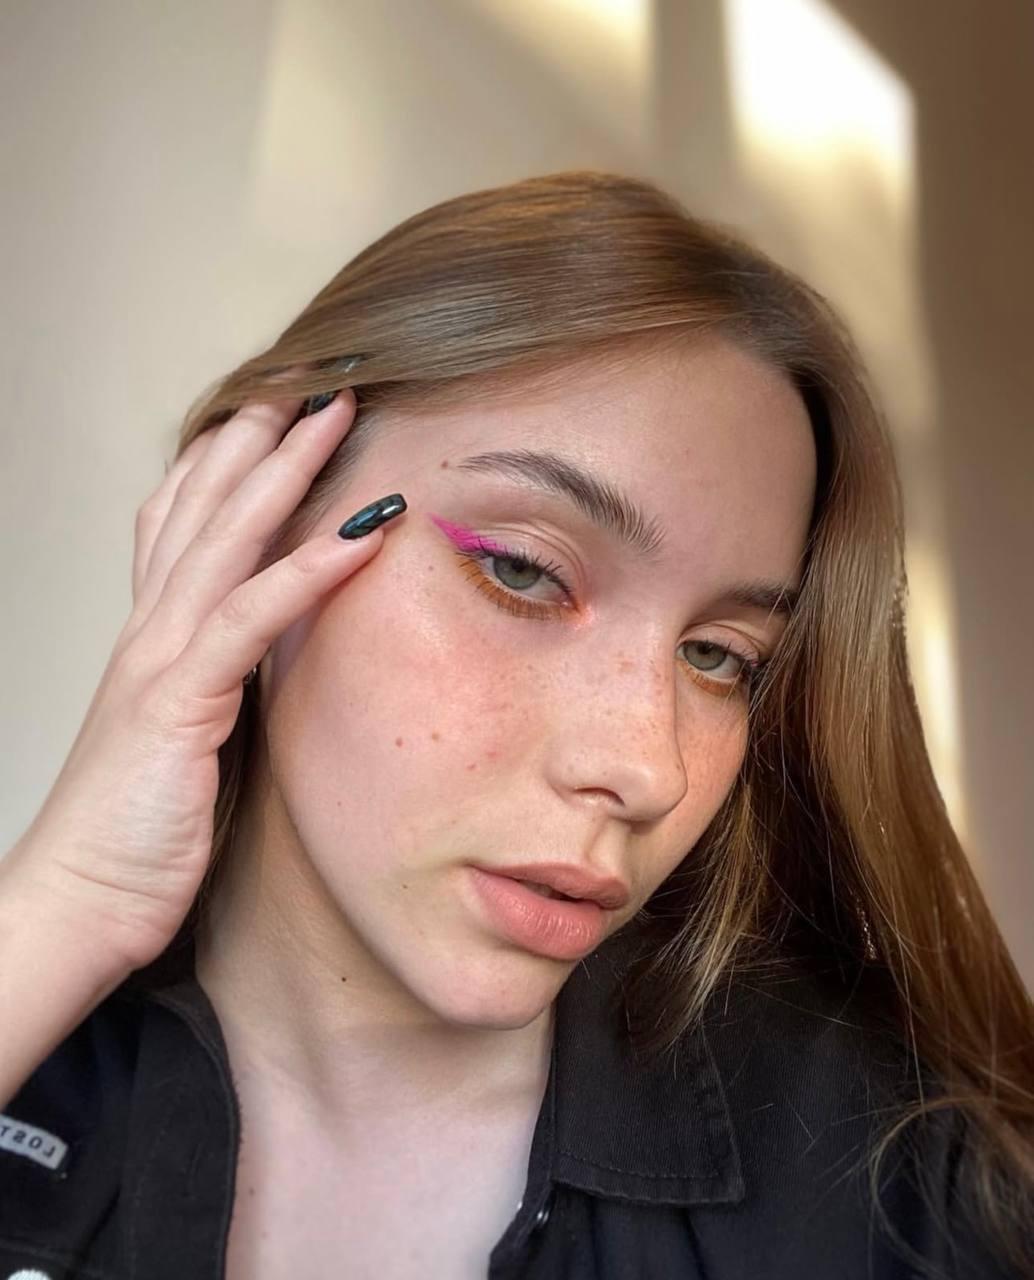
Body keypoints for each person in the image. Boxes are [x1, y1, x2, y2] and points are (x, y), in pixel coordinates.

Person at [0, 170, 1031, 1280]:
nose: (645, 766)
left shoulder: (899, 1190)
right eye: (523, 570)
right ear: (253, 525)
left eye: (716, 655)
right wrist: (70, 900)